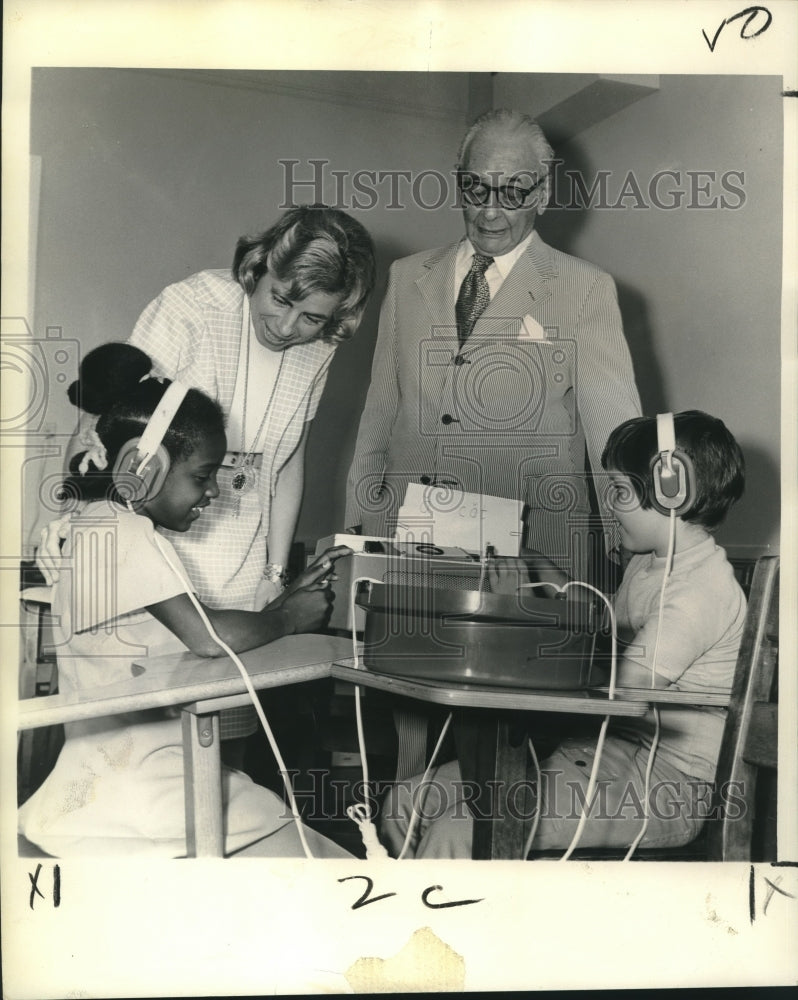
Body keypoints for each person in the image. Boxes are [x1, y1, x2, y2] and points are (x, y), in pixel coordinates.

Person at [39, 204, 376, 744]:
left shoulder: (319, 345)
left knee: (225, 732)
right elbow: (120, 422)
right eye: (280, 299)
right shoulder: (193, 305)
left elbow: (287, 459)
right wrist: (83, 520)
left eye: (312, 317)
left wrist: (274, 578)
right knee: (147, 724)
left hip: (239, 550)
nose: (288, 327)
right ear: (259, 268)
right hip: (157, 539)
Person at [19, 344, 353, 858]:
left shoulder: (86, 527)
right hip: (149, 790)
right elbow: (208, 637)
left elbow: (182, 635)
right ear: (143, 466)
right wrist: (289, 617)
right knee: (325, 864)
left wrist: (281, 605)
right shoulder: (127, 532)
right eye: (203, 475)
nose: (213, 491)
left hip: (102, 775)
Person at [380, 410, 747, 858]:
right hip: (607, 752)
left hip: (670, 783)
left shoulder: (702, 587)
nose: (611, 504)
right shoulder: (651, 563)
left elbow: (625, 688)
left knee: (466, 826)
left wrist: (526, 620)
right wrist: (532, 566)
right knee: (408, 802)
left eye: (620, 491)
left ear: (672, 489)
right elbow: (599, 617)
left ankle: (446, 923)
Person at [345, 109, 641, 579]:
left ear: (542, 194)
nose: (489, 211)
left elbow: (616, 438)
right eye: (476, 188)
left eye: (514, 192)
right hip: (406, 542)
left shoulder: (586, 288)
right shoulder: (406, 277)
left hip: (534, 557)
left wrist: (627, 547)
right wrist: (360, 524)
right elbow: (379, 417)